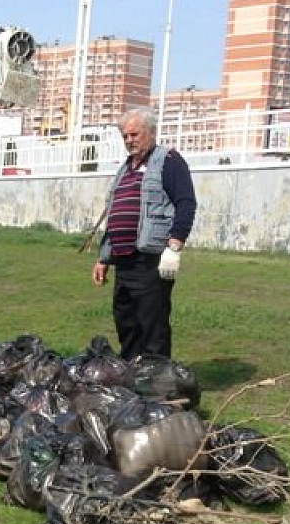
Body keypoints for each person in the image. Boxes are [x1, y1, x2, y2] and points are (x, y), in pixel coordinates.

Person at [91, 108, 197, 361]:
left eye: (134, 134)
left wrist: (174, 246)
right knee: (126, 319)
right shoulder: (126, 168)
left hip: (151, 258)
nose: (129, 140)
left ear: (150, 132)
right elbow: (115, 214)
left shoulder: (168, 161)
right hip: (124, 259)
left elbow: (186, 202)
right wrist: (104, 258)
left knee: (152, 322)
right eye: (125, 136)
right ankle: (132, 371)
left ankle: (158, 379)